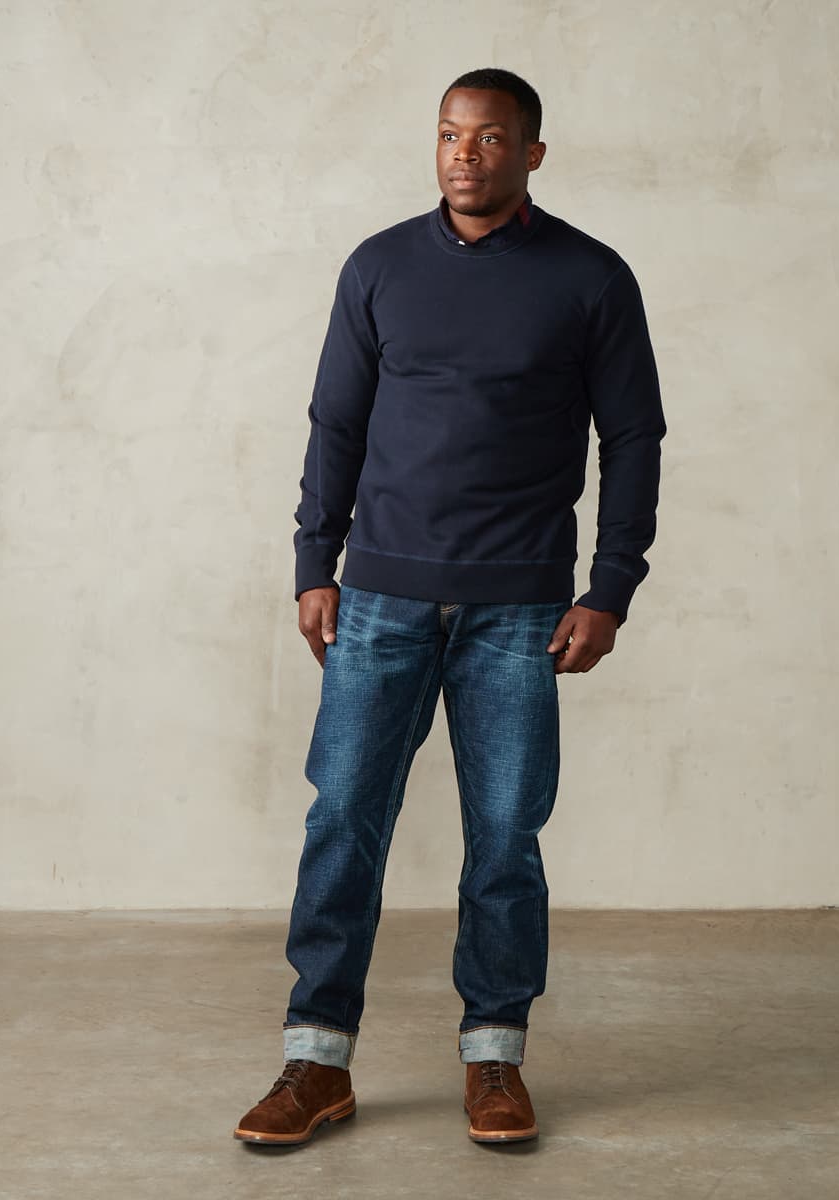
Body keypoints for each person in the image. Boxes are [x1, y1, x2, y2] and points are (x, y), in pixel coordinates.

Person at [234, 66, 665, 1148]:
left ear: (531, 153)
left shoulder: (589, 277)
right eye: (447, 135)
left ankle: (494, 1057)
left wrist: (609, 588)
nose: (464, 154)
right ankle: (315, 1060)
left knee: (505, 837)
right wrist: (314, 563)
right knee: (342, 820)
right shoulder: (378, 266)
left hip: (518, 608)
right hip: (378, 599)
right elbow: (335, 423)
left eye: (488, 137)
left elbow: (632, 437)